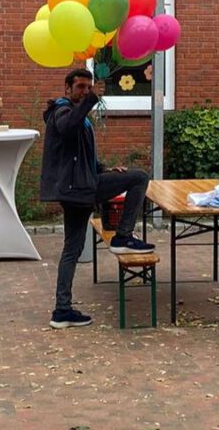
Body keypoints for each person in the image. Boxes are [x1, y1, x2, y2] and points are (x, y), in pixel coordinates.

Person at [40, 67, 154, 328]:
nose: (85, 91)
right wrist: (91, 101)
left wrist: (103, 169)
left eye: (88, 87)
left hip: (79, 185)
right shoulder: (62, 111)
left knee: (72, 249)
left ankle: (62, 311)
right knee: (139, 178)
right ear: (67, 89)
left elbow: (79, 153)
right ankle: (122, 236)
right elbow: (68, 128)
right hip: (78, 189)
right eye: (80, 87)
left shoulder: (77, 115)